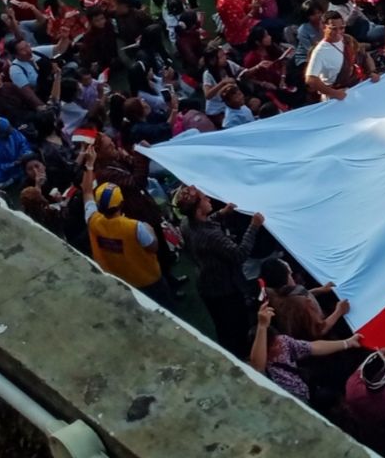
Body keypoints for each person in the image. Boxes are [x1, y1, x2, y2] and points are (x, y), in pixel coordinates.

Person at [175, 186, 264, 356]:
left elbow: (204, 221)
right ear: (198, 208)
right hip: (224, 290)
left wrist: (222, 213)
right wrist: (254, 226)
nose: (209, 199)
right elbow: (239, 254)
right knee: (236, 328)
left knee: (222, 326)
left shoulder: (186, 223)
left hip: (207, 284)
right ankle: (243, 356)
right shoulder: (211, 236)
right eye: (204, 198)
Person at [81, 152, 172, 310]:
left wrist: (89, 166)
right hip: (148, 280)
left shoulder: (93, 221)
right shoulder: (135, 227)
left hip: (121, 282)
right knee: (166, 309)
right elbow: (153, 247)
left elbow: (87, 192)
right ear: (121, 202)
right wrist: (150, 230)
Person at [250, 303, 362, 403]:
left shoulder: (283, 341)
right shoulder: (260, 367)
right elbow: (257, 368)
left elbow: (313, 347)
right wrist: (262, 327)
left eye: (277, 342)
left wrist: (347, 343)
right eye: (273, 345)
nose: (278, 345)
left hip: (305, 393)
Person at [305, 10, 380, 100]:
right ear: (324, 27)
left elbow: (365, 55)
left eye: (341, 28)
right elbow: (311, 79)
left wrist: (373, 71)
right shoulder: (319, 51)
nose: (338, 32)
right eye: (333, 28)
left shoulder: (348, 39)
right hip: (337, 97)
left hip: (357, 88)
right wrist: (334, 93)